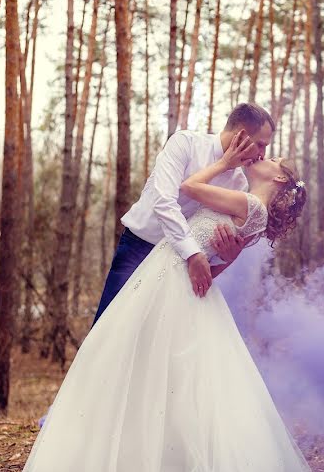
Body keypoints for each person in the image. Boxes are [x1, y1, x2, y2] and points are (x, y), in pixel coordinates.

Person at [20, 133, 320, 472]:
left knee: (146, 362)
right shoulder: (255, 212)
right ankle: (153, 464)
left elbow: (189, 188)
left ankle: (147, 471)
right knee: (160, 368)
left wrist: (225, 164)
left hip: (173, 278)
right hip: (176, 275)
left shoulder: (249, 203)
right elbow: (217, 268)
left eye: (271, 157)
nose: (262, 157)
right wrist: (218, 255)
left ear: (279, 179)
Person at [91, 103, 276, 326]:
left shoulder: (238, 183)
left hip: (178, 269)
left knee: (152, 340)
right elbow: (164, 202)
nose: (262, 155)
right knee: (108, 328)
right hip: (139, 248)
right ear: (242, 136)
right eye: (261, 145)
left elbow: (211, 234)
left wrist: (226, 254)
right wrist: (193, 254)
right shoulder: (185, 143)